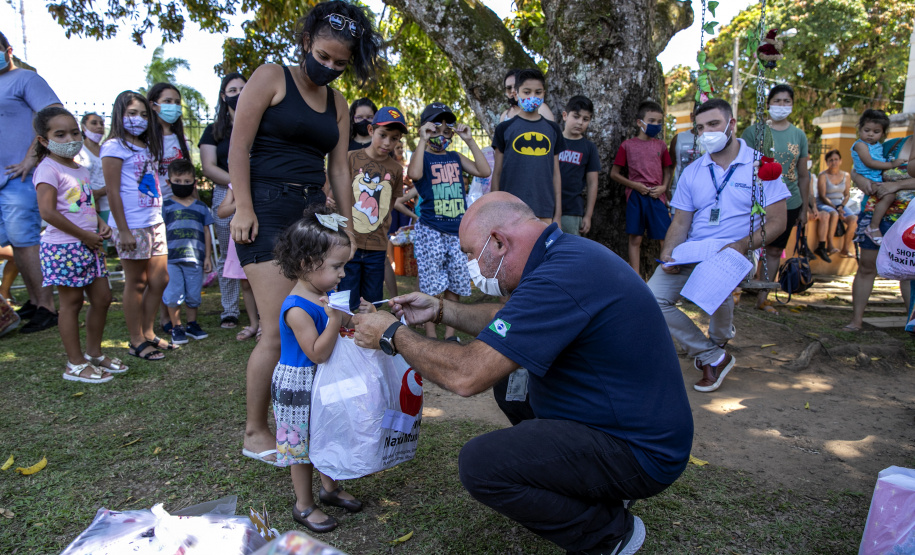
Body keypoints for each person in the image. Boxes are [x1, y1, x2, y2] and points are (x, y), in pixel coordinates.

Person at [352, 192, 693, 555]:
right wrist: (442, 310)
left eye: (470, 254)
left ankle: (609, 534)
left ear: (498, 242)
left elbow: (467, 376)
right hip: (625, 422)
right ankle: (590, 484)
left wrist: (392, 334)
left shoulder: (559, 277)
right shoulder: (563, 255)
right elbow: (513, 322)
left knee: (481, 464)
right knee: (512, 384)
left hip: (641, 451)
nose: (473, 266)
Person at [228, 0, 382, 465]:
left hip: (312, 214)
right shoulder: (271, 75)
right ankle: (256, 430)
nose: (330, 67)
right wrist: (244, 207)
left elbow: (338, 168)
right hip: (267, 210)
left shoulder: (337, 102)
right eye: (324, 56)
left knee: (316, 322)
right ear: (306, 43)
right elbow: (239, 145)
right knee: (278, 330)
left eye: (340, 62)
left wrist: (349, 225)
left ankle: (305, 422)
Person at [649, 98, 790, 393]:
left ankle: (716, 345)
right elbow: (680, 222)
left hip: (735, 251)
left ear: (731, 124)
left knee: (714, 280)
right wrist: (667, 253)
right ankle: (713, 352)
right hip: (692, 250)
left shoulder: (761, 167)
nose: (706, 132)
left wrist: (741, 244)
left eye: (713, 124)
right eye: (700, 128)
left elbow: (777, 221)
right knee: (651, 299)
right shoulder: (693, 171)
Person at [272, 207, 369, 533]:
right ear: (306, 265)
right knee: (302, 450)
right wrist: (334, 319)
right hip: (299, 387)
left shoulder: (324, 295)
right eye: (337, 266)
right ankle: (304, 505)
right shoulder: (297, 308)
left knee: (328, 435)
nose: (343, 274)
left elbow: (346, 323)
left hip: (323, 383)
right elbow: (317, 352)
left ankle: (330, 489)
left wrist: (359, 316)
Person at [32, 106, 125, 382]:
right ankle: (74, 363)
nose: (69, 138)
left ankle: (94, 354)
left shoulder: (81, 169)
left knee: (103, 299)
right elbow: (47, 212)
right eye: (60, 134)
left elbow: (82, 205)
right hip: (64, 248)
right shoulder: (47, 169)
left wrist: (99, 222)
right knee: (71, 304)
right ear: (43, 140)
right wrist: (84, 235)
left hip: (89, 245)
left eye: (74, 132)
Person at [397, 102, 490, 340]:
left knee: (456, 282)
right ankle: (431, 335)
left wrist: (469, 140)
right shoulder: (423, 158)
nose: (442, 134)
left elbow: (483, 170)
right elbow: (414, 175)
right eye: (435, 129)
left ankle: (450, 335)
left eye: (447, 130)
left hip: (457, 232)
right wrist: (421, 140)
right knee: (431, 284)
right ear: (425, 130)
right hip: (431, 231)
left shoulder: (455, 157)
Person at [102, 90, 173, 361]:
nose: (138, 119)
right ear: (119, 115)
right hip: (131, 225)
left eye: (144, 114)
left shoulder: (146, 145)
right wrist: (122, 229)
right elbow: (112, 191)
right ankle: (135, 340)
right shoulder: (114, 146)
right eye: (132, 113)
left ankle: (148, 331)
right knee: (137, 282)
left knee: (160, 279)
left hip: (155, 221)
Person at [0, 30, 62, 333]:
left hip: (19, 177)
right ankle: (35, 300)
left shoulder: (26, 79)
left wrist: (31, 157)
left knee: (25, 242)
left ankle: (47, 307)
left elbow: (53, 116)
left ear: (8, 50)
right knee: (14, 242)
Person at [740, 84, 810, 313]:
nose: (781, 106)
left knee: (773, 250)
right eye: (777, 101)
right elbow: (742, 168)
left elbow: (803, 174)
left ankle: (763, 299)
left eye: (786, 101)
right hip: (756, 202)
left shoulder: (799, 135)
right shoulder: (753, 132)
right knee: (745, 246)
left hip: (789, 202)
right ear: (768, 104)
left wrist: (804, 208)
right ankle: (733, 293)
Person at [338, 106, 411, 312]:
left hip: (377, 248)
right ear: (371, 131)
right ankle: (345, 339)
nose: (388, 142)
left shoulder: (396, 169)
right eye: (383, 135)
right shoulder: (351, 157)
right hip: (349, 243)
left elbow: (389, 205)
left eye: (394, 138)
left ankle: (368, 342)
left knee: (371, 303)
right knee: (347, 301)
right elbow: (334, 193)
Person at [845, 134, 915, 332]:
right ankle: (856, 321)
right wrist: (859, 179)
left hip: (909, 222)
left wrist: (898, 184)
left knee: (909, 274)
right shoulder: (892, 145)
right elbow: (858, 167)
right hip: (877, 217)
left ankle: (910, 324)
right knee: (867, 268)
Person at [200, 72, 247, 330]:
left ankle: (261, 308)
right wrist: (237, 182)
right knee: (228, 254)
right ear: (223, 96)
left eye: (243, 88)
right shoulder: (213, 131)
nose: (238, 94)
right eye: (232, 90)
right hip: (225, 194)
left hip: (255, 192)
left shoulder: (260, 124)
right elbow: (208, 166)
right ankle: (229, 310)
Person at [491, 68, 563, 223]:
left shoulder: (553, 129)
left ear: (544, 93)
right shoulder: (504, 128)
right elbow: (497, 173)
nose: (532, 97)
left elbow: (556, 174)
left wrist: (557, 214)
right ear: (516, 94)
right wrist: (494, 210)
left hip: (544, 207)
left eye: (538, 92)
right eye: (527, 92)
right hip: (510, 208)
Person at [611, 100, 673, 274]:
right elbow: (614, 174)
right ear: (640, 122)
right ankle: (636, 276)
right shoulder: (627, 146)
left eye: (659, 122)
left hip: (656, 196)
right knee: (635, 238)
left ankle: (666, 271)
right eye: (651, 121)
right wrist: (635, 186)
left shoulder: (661, 145)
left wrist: (663, 187)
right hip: (636, 197)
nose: (655, 125)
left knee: (664, 237)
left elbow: (668, 170)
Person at [161, 159, 213, 345]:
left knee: (193, 294)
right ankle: (177, 327)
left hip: (195, 259)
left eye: (186, 181)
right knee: (174, 293)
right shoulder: (165, 206)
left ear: (194, 183)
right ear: (169, 182)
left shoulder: (201, 207)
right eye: (177, 181)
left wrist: (207, 257)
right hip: (171, 259)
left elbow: (206, 231)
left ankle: (192, 324)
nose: (182, 185)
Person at [852, 109, 908, 246]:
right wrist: (891, 164)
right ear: (860, 129)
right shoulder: (861, 145)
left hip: (905, 219)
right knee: (889, 196)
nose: (870, 134)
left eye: (876, 132)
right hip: (871, 181)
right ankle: (873, 227)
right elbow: (869, 162)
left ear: (882, 133)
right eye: (867, 130)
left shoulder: (876, 146)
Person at [216, 184, 261, 341]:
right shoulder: (235, 184)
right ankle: (253, 324)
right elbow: (221, 212)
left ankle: (265, 324)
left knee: (264, 282)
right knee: (246, 283)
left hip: (262, 232)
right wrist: (242, 202)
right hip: (241, 235)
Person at [558, 95, 600, 236]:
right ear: (565, 115)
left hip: (572, 211)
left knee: (570, 250)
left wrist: (588, 215)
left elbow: (592, 183)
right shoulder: (553, 142)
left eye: (585, 119)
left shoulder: (589, 148)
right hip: (548, 208)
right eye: (576, 116)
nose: (580, 122)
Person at [147, 83, 192, 202]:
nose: (174, 106)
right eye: (168, 101)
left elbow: (188, 174)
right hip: (152, 205)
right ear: (153, 105)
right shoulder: (145, 139)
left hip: (178, 204)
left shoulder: (181, 139)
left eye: (177, 102)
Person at [815, 149, 857, 260]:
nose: (834, 162)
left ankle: (845, 249)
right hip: (826, 204)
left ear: (840, 161)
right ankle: (830, 245)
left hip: (840, 204)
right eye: (831, 160)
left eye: (836, 159)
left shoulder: (846, 175)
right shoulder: (823, 175)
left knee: (853, 219)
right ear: (827, 162)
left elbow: (847, 194)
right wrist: (837, 209)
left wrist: (841, 206)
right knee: (834, 214)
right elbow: (823, 196)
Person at [76, 113, 109, 227]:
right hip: (88, 204)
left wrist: (102, 192)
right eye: (94, 123)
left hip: (108, 204)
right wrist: (95, 198)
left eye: (101, 123)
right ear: (83, 127)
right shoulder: (78, 151)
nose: (99, 126)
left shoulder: (107, 151)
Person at [668, 109, 698, 207]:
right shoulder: (679, 138)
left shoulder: (713, 140)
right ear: (692, 116)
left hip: (703, 196)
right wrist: (667, 190)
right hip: (679, 195)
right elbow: (670, 167)